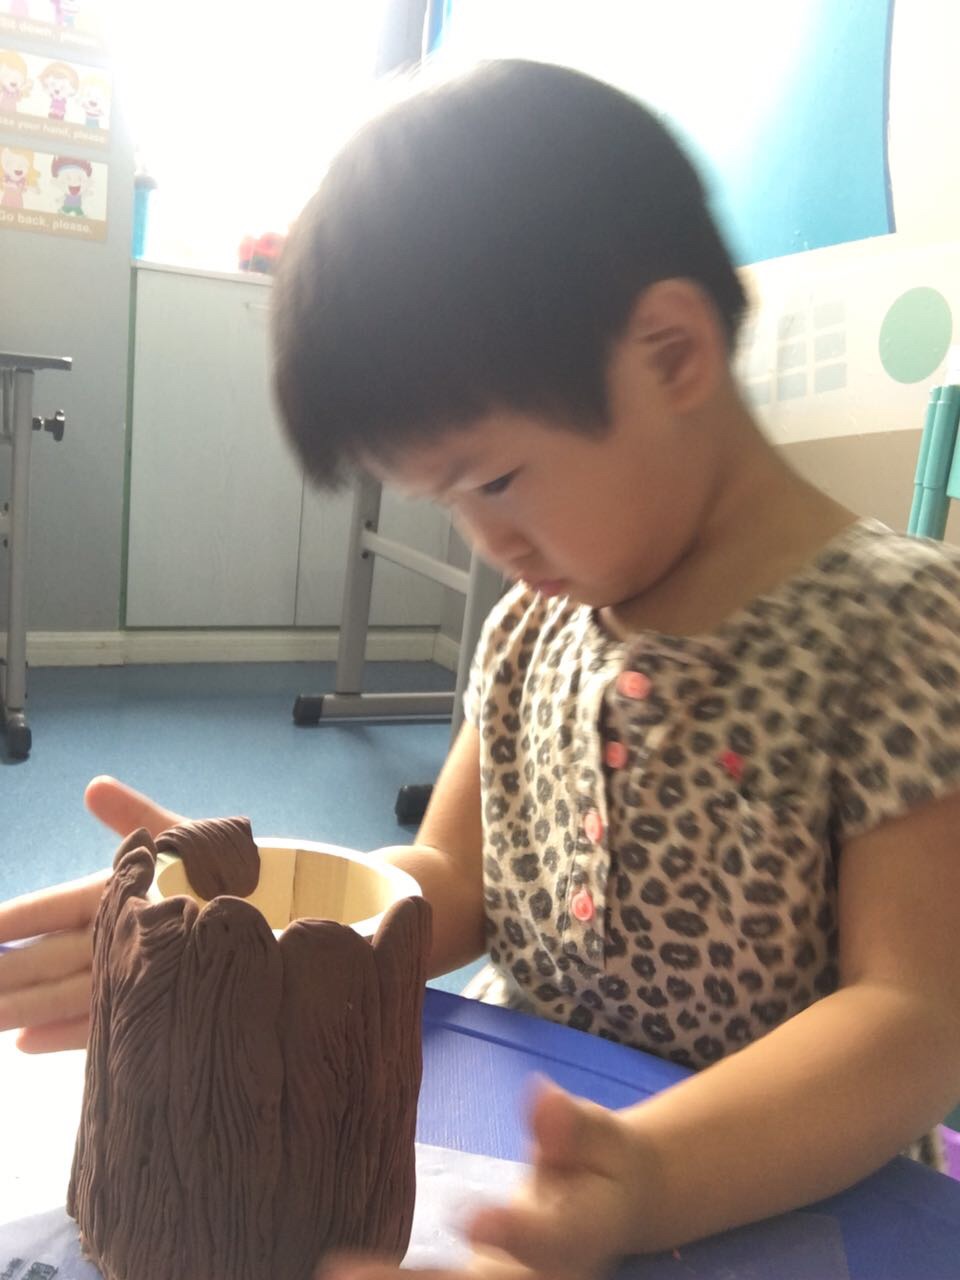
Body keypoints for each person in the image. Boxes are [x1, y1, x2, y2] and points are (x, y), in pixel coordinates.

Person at [3, 59, 960, 1278]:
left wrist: (651, 1174)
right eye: (446, 499)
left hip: (786, 1203)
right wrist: (251, 938)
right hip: (518, 1173)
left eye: (496, 478)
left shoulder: (901, 633)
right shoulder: (529, 632)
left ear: (671, 353)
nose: (485, 540)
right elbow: (452, 876)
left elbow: (913, 1018)